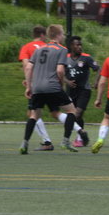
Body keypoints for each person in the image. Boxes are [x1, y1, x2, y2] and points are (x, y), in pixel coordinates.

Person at [19, 24, 80, 154]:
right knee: (71, 110)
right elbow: (60, 70)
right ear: (58, 35)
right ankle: (65, 141)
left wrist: (29, 86)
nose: (64, 36)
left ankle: (24, 143)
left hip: (37, 87)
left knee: (34, 115)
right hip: (52, 86)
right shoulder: (62, 49)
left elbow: (28, 68)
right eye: (63, 34)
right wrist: (61, 84)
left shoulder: (39, 50)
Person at [18, 25, 54, 150]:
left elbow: (26, 65)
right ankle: (79, 130)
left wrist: (28, 82)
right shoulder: (49, 47)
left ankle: (47, 141)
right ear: (43, 35)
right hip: (50, 82)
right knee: (57, 111)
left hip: (36, 84)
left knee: (33, 113)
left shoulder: (26, 47)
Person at [66, 35, 99, 147]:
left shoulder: (86, 58)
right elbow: (59, 72)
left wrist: (96, 81)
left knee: (78, 113)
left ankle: (79, 136)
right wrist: (67, 81)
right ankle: (81, 137)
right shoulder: (65, 58)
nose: (80, 47)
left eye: (81, 45)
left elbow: (99, 69)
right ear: (71, 46)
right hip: (70, 91)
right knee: (75, 116)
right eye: (77, 45)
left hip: (84, 90)